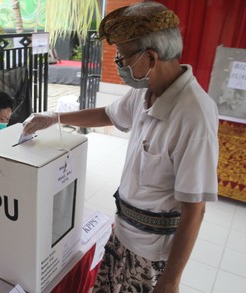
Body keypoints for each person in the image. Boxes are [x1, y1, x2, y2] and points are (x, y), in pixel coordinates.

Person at [23, 2, 219, 292]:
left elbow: (195, 209)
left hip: (152, 254)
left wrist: (171, 280)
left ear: (151, 57)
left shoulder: (194, 116)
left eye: (122, 55)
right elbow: (108, 114)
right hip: (122, 234)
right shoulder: (146, 92)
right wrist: (55, 118)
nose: (118, 63)